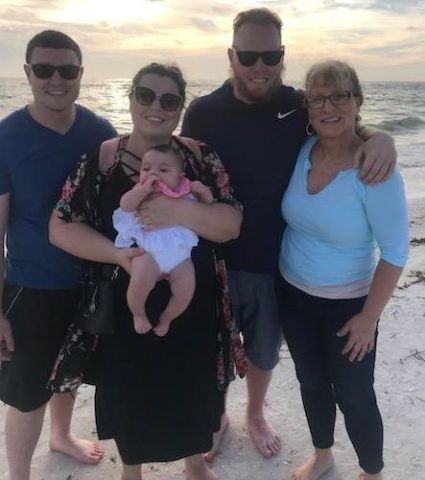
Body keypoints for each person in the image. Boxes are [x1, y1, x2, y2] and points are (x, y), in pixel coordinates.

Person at [181, 7, 398, 459]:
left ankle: (256, 414)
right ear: (231, 55)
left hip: (273, 265)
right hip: (213, 260)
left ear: (282, 56)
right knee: (214, 351)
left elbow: (339, 120)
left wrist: (380, 137)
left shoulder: (296, 105)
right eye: (248, 55)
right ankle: (217, 417)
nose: (260, 65)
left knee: (263, 352)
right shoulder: (202, 113)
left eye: (270, 55)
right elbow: (179, 172)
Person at [49, 62, 244, 480]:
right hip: (125, 310)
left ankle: (195, 464)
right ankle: (131, 471)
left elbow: (231, 224)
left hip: (192, 304)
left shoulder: (199, 156)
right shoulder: (103, 158)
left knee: (192, 388)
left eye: (169, 99)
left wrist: (181, 209)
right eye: (145, 95)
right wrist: (117, 255)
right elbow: (61, 226)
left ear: (180, 107)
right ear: (131, 97)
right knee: (129, 392)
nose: (156, 107)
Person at [276, 60, 409, 480]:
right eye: (317, 97)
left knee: (354, 395)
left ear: (358, 102)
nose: (327, 106)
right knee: (311, 383)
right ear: (308, 106)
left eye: (339, 95)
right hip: (292, 295)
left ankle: (371, 471)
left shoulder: (375, 170)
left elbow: (395, 251)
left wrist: (369, 318)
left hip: (349, 306)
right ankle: (323, 455)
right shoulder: (302, 149)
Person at [0, 30, 116, 480]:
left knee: (69, 374)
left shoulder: (99, 132)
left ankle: (61, 435)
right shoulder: (7, 137)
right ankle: (18, 474)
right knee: (27, 392)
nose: (56, 79)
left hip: (88, 283)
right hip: (30, 286)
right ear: (27, 73)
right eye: (44, 69)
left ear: (80, 74)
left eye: (67, 70)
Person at [113, 143, 213, 336]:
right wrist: (141, 191)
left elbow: (208, 207)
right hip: (149, 253)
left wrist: (203, 192)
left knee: (185, 290)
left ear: (180, 176)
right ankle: (138, 313)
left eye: (163, 169)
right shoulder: (140, 191)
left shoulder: (187, 191)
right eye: (146, 168)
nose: (154, 174)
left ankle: (167, 317)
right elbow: (125, 205)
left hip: (181, 258)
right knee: (139, 282)